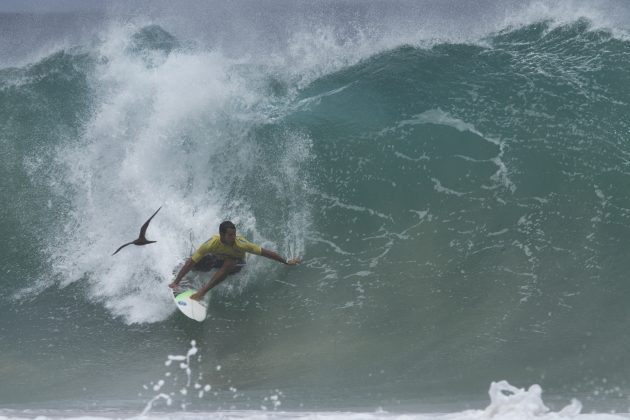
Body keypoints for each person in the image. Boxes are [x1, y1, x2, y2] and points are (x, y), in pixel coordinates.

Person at [169, 221, 301, 300]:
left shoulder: (241, 244)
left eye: (234, 234)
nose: (233, 237)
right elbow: (193, 260)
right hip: (218, 259)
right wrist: (176, 282)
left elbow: (266, 253)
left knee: (229, 262)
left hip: (236, 264)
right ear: (221, 235)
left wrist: (286, 261)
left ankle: (203, 291)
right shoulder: (211, 244)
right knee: (195, 262)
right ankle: (182, 274)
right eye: (230, 235)